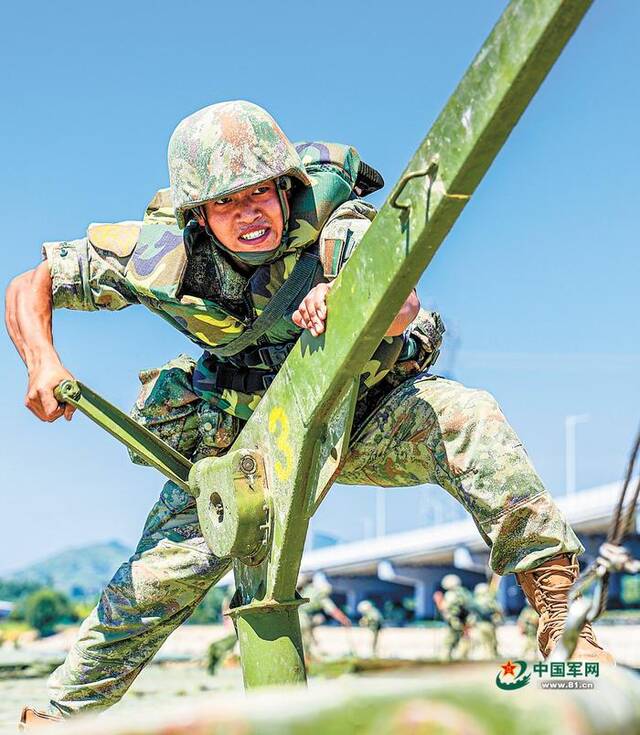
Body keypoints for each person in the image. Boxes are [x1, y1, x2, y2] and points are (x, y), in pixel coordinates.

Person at [6, 99, 612, 726]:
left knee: (466, 418)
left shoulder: (332, 216)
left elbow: (402, 303)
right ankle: (56, 717)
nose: (249, 214)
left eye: (261, 192)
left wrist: (348, 297)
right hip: (245, 441)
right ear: (197, 215)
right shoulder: (160, 255)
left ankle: (562, 622)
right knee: (150, 586)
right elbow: (33, 282)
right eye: (225, 204)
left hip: (361, 414)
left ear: (286, 186)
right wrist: (42, 361)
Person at [298, 576, 351, 661]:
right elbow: (333, 611)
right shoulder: (322, 596)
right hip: (303, 619)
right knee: (306, 642)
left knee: (305, 640)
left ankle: (308, 658)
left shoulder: (309, 589)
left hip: (297, 616)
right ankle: (306, 661)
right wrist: (344, 620)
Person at [433, 574, 474, 661]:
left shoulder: (451, 594)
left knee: (449, 640)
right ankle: (463, 657)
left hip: (454, 620)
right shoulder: (465, 592)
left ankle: (445, 658)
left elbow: (445, 607)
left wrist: (438, 601)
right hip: (465, 620)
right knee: (463, 639)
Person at [471, 582, 502, 660]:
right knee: (491, 643)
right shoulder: (490, 600)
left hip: (479, 624)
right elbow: (498, 610)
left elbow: (472, 614)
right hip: (489, 624)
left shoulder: (475, 600)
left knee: (483, 643)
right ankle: (491, 658)